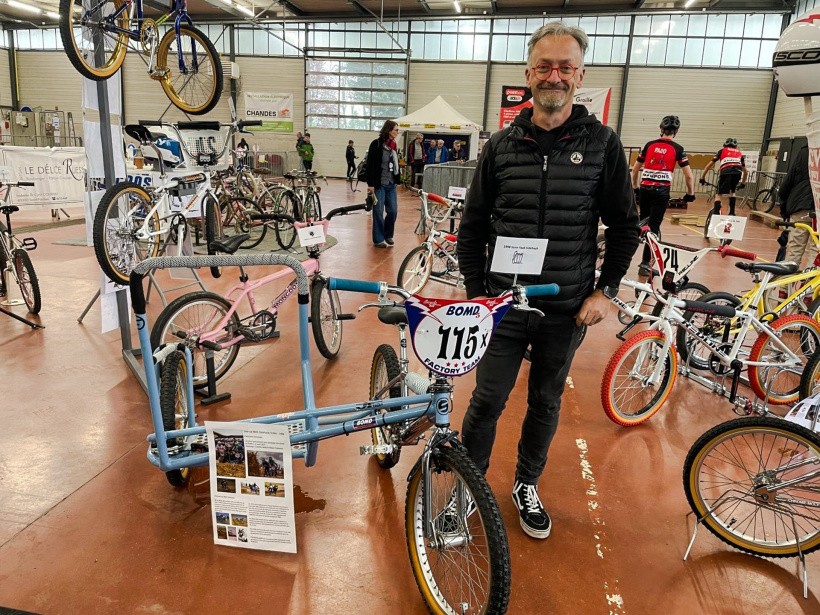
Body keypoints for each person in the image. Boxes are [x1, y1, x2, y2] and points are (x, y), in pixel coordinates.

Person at [456, 22, 639, 540]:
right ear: (528, 74)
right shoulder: (500, 146)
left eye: (564, 67)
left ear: (580, 75)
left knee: (545, 401)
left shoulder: (602, 144)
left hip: (564, 307)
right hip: (503, 306)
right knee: (487, 400)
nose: (553, 76)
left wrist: (605, 290)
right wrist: (477, 298)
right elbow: (471, 229)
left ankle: (526, 484)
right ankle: (469, 487)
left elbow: (625, 225)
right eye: (544, 66)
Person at [631, 116, 696, 276]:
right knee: (653, 228)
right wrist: (690, 194)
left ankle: (625, 250)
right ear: (677, 131)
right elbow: (688, 176)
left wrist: (635, 187)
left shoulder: (649, 145)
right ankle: (645, 264)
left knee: (642, 221)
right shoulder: (678, 149)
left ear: (661, 129)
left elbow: (635, 170)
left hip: (645, 189)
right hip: (661, 192)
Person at [780, 143, 816, 267]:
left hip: (800, 205)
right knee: (816, 252)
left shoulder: (805, 151)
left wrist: (784, 207)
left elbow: (788, 182)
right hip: (817, 206)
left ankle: (785, 285)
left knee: (794, 250)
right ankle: (810, 285)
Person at [366, 120, 400, 248]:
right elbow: (371, 165)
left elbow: (395, 165)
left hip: (391, 184)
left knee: (393, 211)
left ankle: (388, 234)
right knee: (378, 212)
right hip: (379, 184)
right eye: (396, 130)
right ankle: (378, 239)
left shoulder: (394, 146)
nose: (397, 132)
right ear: (389, 130)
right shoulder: (377, 144)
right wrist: (371, 184)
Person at [699, 138, 748, 217]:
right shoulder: (739, 153)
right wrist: (743, 183)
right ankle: (732, 213)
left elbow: (709, 165)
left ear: (724, 145)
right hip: (738, 172)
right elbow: (745, 171)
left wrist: (702, 177)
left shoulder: (722, 151)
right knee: (732, 191)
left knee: (719, 193)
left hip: (726, 171)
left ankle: (716, 213)